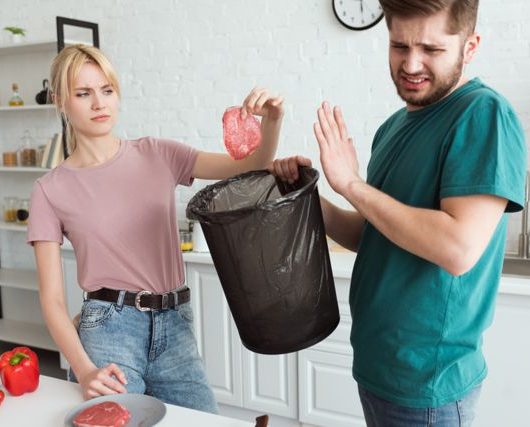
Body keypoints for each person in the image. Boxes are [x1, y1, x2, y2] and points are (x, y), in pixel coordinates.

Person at [270, 0, 526, 425]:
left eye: (431, 49)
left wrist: (351, 184)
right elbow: (369, 234)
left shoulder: (482, 114)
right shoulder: (391, 128)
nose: (410, 64)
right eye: (399, 46)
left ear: (471, 46)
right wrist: (307, 198)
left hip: (428, 385)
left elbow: (458, 248)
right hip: (380, 369)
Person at [27, 44, 284, 413]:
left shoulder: (158, 153)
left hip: (175, 323)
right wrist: (83, 370)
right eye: (83, 94)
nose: (99, 103)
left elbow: (249, 166)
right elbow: (51, 300)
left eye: (106, 90)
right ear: (60, 101)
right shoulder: (49, 190)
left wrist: (272, 121)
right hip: (109, 330)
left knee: (204, 421)